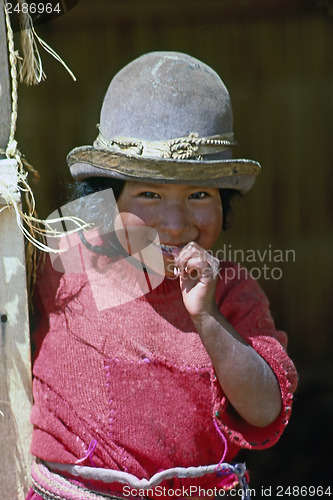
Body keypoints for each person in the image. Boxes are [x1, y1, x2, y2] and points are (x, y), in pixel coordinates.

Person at [26, 52, 298, 500]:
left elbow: (267, 410)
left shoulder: (231, 291)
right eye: (148, 193)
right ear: (107, 201)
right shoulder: (67, 256)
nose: (174, 223)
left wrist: (207, 316)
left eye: (198, 194)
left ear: (225, 204)